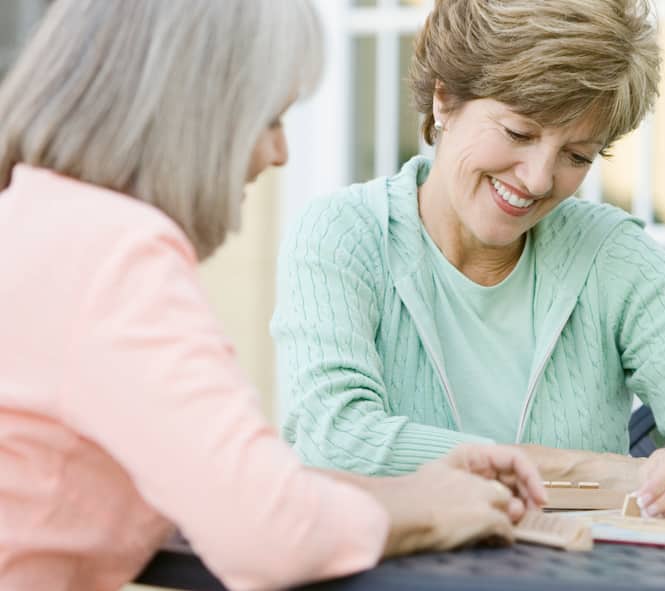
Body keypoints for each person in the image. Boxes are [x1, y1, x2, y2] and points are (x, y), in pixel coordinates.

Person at [0, 1, 546, 590]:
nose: (280, 153)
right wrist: (430, 512)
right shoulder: (118, 255)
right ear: (195, 112)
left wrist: (416, 489)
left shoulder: (34, 219)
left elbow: (229, 485)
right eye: (270, 118)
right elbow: (268, 532)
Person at [273, 0, 665, 520]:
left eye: (576, 156)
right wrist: (591, 474)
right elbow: (334, 437)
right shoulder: (343, 235)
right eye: (518, 132)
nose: (537, 179)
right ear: (444, 98)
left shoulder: (611, 256)